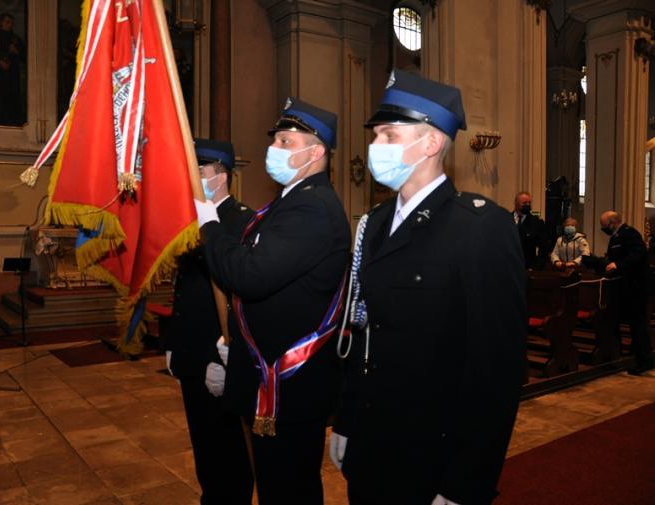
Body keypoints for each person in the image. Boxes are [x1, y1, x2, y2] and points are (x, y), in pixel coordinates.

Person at [330, 70, 526, 505]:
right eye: (376, 135)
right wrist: (346, 420)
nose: (375, 145)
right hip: (371, 445)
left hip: (430, 459)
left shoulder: (479, 228)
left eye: (389, 135)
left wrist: (464, 483)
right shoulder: (376, 223)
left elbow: (496, 372)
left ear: (432, 142)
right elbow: (365, 336)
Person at [194, 98, 351, 505]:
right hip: (271, 375)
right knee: (275, 484)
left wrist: (211, 226)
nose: (274, 149)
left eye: (286, 141)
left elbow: (250, 275)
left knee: (288, 489)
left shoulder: (312, 208)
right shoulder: (290, 203)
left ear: (315, 152)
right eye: (275, 140)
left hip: (290, 383)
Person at [165, 139, 254, 505]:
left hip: (220, 357)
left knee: (229, 450)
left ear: (221, 174)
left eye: (199, 170)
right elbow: (184, 287)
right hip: (191, 353)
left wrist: (228, 359)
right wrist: (173, 343)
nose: (193, 178)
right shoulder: (190, 219)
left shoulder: (243, 221)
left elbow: (242, 296)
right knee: (203, 445)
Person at [599, 211, 653, 375]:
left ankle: (644, 361)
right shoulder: (616, 237)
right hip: (624, 287)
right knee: (632, 324)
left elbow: (638, 254)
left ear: (613, 222)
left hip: (636, 287)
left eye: (604, 225)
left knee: (638, 325)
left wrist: (618, 264)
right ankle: (635, 356)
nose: (603, 229)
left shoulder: (630, 234)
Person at [0, 12, 25, 126]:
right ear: (1, 22)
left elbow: (24, 56)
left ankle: (13, 121)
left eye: (11, 23)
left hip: (12, 73)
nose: (9, 25)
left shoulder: (16, 39)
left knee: (12, 96)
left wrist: (16, 51)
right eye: (7, 22)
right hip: (0, 73)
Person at [513, 192, 548, 269]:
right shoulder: (506, 219)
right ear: (516, 203)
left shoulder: (536, 222)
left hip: (528, 267)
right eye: (524, 203)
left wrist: (538, 265)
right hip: (509, 266)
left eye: (529, 203)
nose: (528, 205)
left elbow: (544, 247)